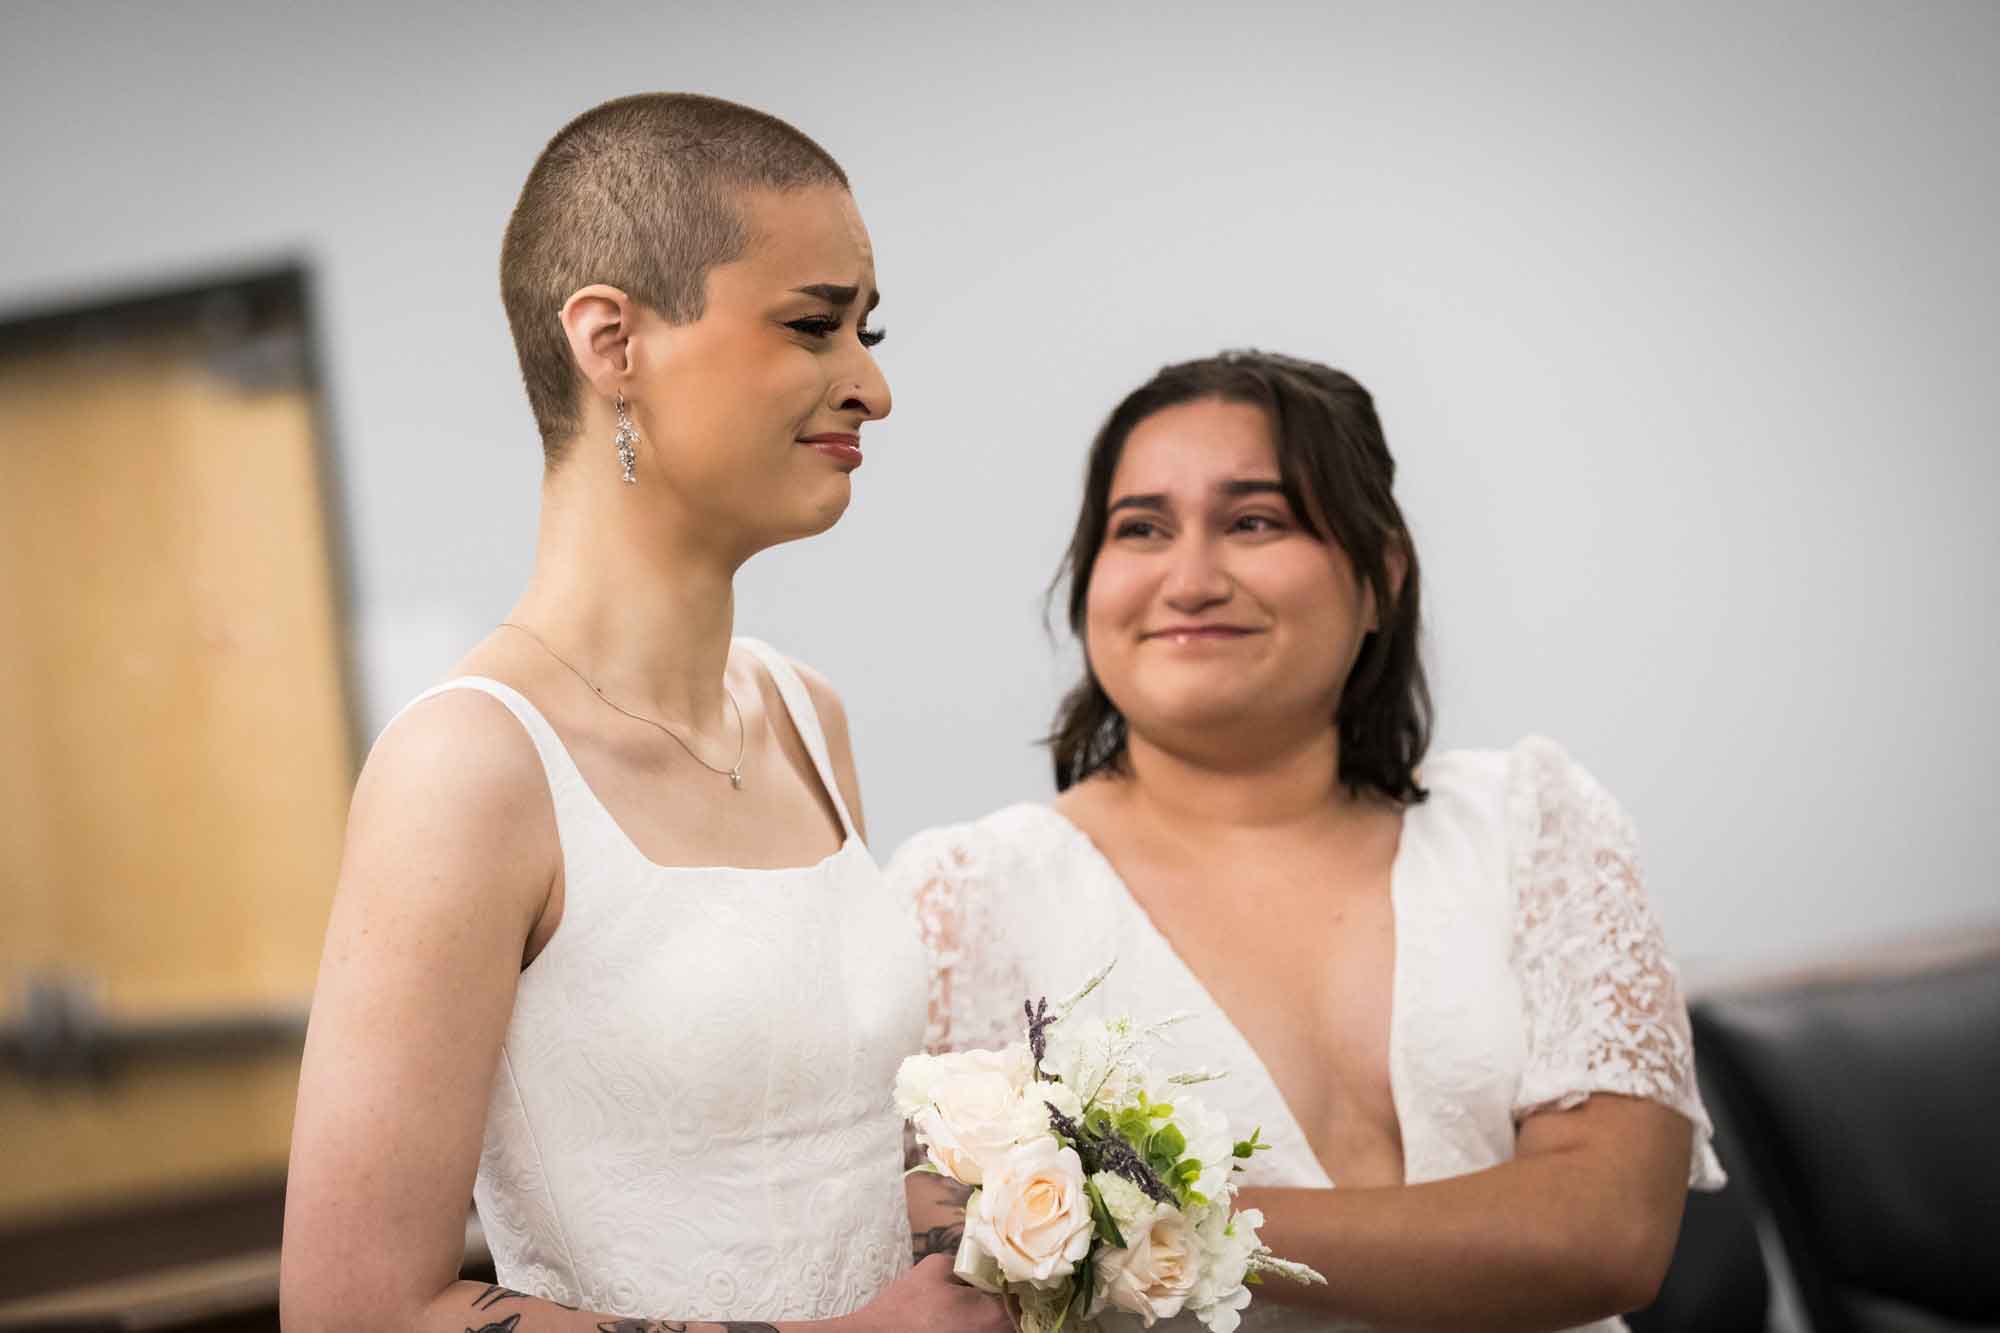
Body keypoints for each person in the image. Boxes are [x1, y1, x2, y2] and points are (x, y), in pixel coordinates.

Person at [281, 93, 1008, 1333]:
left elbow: (815, 1140)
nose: (871, 387)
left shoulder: (802, 717)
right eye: (812, 326)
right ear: (611, 342)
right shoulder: (470, 765)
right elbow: (351, 1311)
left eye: (863, 330)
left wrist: (1024, 1232)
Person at [888, 350, 1725, 1331]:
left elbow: (1600, 1235)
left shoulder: (1532, 825)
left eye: (1254, 522)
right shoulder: (964, 896)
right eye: (1139, 529)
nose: (1189, 578)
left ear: (1378, 576)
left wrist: (1128, 1217)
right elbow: (922, 1258)